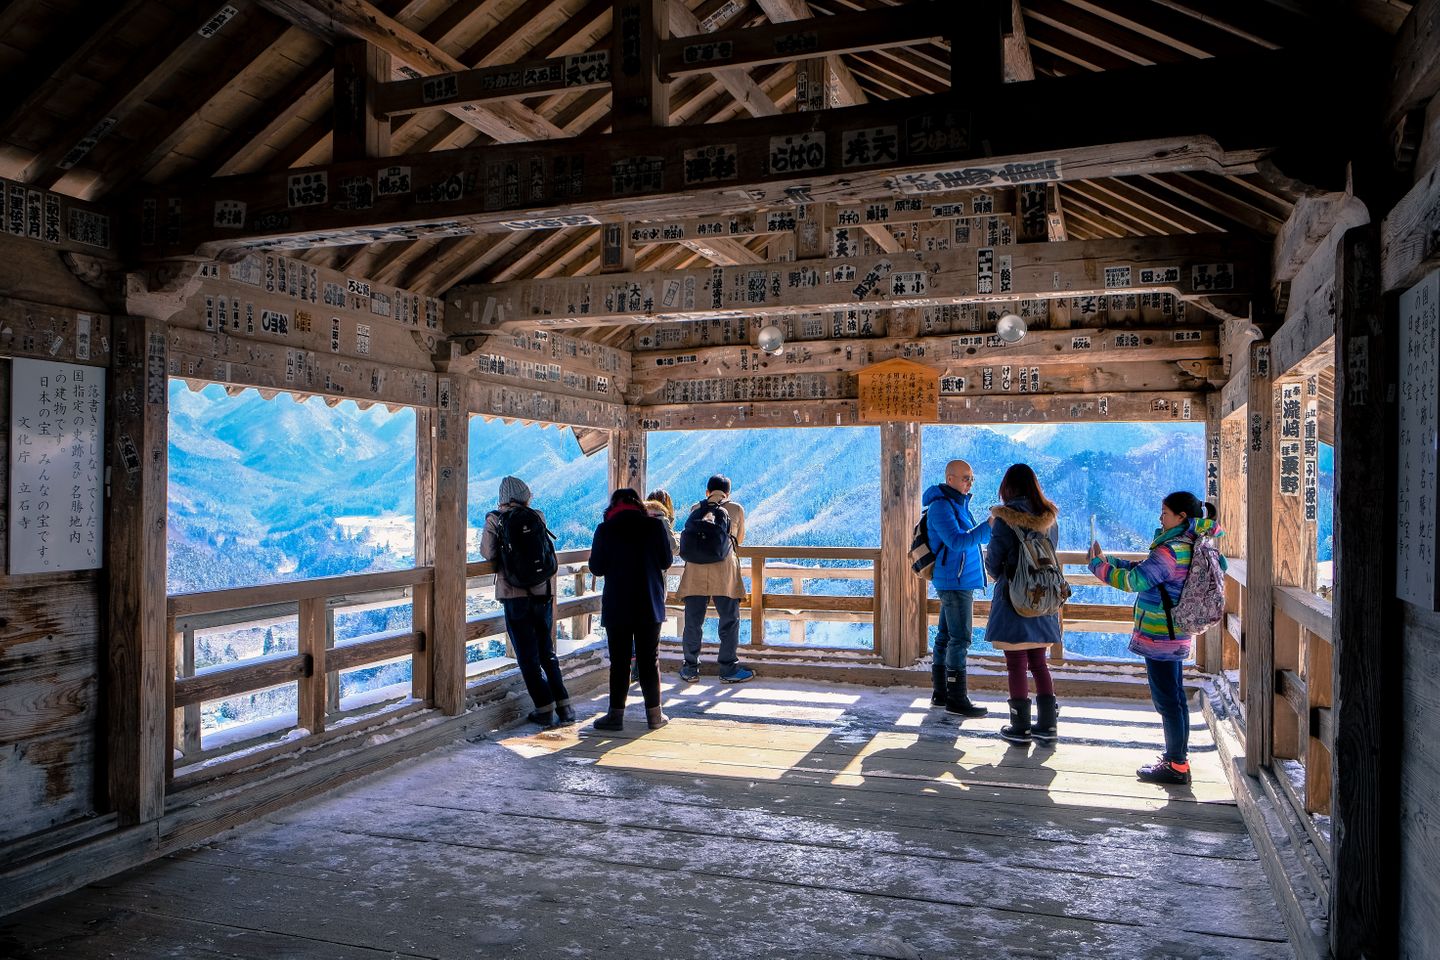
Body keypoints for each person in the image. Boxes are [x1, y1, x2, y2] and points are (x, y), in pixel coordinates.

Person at [1089, 491, 1221, 785]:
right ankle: (1178, 759)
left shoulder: (1170, 550)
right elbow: (1146, 571)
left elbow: (1134, 580)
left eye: (1164, 513)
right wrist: (1109, 559)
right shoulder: (1192, 544)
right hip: (1176, 631)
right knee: (1175, 697)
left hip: (1160, 633)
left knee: (1167, 700)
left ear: (1181, 517)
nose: (1160, 518)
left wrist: (1098, 567)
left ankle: (1176, 764)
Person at [480, 476, 572, 727]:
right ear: (525, 495)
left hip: (514, 596)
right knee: (547, 652)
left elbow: (488, 553)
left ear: (502, 498)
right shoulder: (537, 516)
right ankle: (565, 707)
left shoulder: (495, 519)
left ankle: (544, 708)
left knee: (527, 656)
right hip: (542, 593)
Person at [985, 464, 1062, 745]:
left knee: (1016, 662)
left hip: (1014, 597)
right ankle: (1047, 724)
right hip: (1044, 597)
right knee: (1039, 662)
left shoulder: (1005, 520)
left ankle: (1020, 727)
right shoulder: (1049, 519)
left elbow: (993, 562)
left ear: (1007, 488)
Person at [588, 488, 675, 731]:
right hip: (649, 602)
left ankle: (615, 716)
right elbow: (666, 561)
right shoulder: (654, 527)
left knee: (620, 661)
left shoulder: (605, 529)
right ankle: (654, 716)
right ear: (639, 504)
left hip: (618, 605)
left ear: (613, 506)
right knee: (649, 660)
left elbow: (596, 567)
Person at [922, 459, 993, 717]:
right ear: (949, 479)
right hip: (955, 581)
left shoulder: (955, 504)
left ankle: (941, 694)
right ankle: (956, 697)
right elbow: (956, 541)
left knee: (945, 636)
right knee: (960, 638)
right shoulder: (941, 507)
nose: (969, 482)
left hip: (956, 579)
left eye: (971, 478)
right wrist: (988, 528)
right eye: (965, 478)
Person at [676, 474, 754, 683]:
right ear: (728, 493)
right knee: (729, 620)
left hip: (695, 572)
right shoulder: (736, 509)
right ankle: (728, 669)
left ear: (707, 492)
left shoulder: (696, 509)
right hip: (725, 572)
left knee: (693, 621)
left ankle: (690, 667)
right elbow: (740, 539)